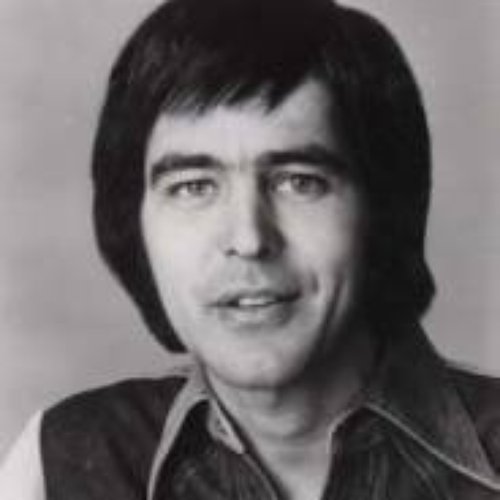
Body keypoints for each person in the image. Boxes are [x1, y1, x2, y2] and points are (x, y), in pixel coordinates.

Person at [1, 0, 500, 498]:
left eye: (298, 182)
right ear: (134, 222)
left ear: (383, 209)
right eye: (193, 187)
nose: (248, 239)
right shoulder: (58, 465)